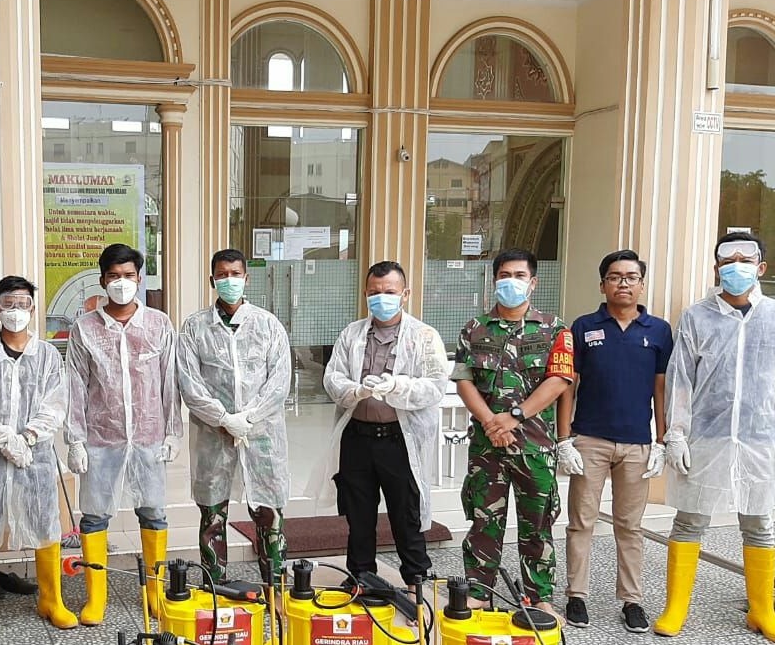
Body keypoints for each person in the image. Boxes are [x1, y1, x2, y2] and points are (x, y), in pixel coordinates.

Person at [655, 232, 775, 642]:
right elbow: (681, 380)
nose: (737, 267)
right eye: (728, 260)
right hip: (707, 434)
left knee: (759, 522)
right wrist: (676, 434)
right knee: (690, 519)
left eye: (746, 260)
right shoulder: (696, 317)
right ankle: (676, 608)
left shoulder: (773, 317)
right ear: (716, 269)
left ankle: (761, 609)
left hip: (761, 438)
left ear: (761, 268)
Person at [451, 248, 574, 619]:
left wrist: (515, 417)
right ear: (494, 280)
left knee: (536, 524)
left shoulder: (555, 329)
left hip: (534, 447)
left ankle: (539, 597)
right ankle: (479, 591)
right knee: (484, 521)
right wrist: (492, 421)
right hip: (487, 447)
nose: (511, 282)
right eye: (505, 275)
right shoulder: (475, 328)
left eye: (519, 276)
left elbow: (559, 380)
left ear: (533, 283)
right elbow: (464, 380)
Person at [557, 251, 672, 633]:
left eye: (631, 277)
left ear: (642, 284)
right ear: (602, 283)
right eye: (615, 276)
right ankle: (577, 595)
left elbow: (661, 388)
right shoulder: (584, 326)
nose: (623, 283)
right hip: (589, 439)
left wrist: (662, 439)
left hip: (637, 444)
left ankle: (632, 601)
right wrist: (564, 438)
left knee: (630, 525)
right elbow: (568, 385)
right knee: (581, 522)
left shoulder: (657, 330)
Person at [65, 244, 181, 622]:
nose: (121, 283)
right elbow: (75, 386)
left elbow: (170, 383)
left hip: (148, 436)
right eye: (114, 276)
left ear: (139, 279)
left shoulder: (159, 325)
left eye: (128, 276)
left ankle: (154, 589)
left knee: (153, 513)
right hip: (102, 438)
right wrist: (75, 439)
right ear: (102, 280)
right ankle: (96, 597)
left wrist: (172, 431)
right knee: (95, 516)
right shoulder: (85, 328)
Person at [0, 276, 75, 632]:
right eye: (10, 303)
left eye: (24, 304)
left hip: (36, 456)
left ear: (34, 308)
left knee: (44, 521)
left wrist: (30, 435)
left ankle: (51, 599)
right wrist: (5, 439)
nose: (17, 311)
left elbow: (56, 402)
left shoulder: (49, 355)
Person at [321, 261, 449, 588]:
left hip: (399, 439)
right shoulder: (351, 333)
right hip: (358, 437)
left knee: (405, 512)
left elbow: (435, 386)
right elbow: (332, 377)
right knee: (358, 513)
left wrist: (399, 387)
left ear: (404, 294)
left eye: (389, 292)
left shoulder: (424, 336)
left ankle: (416, 578)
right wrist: (354, 389)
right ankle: (361, 576)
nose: (382, 298)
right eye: (375, 293)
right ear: (366, 294)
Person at [177, 249, 291, 584]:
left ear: (246, 278)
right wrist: (225, 419)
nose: (229, 280)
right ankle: (216, 585)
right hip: (214, 435)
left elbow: (279, 382)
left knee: (269, 513)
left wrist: (250, 419)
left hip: (263, 436)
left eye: (235, 274)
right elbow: (190, 384)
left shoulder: (268, 325)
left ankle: (275, 586)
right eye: (222, 275)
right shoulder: (195, 328)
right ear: (212, 280)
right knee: (212, 513)